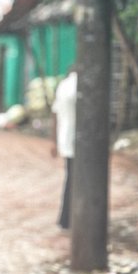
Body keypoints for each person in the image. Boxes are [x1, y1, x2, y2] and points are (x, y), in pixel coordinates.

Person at [52, 66, 78, 230]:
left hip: (66, 137)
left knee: (70, 178)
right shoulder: (78, 86)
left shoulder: (63, 85)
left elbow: (54, 113)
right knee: (77, 181)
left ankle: (65, 219)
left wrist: (54, 141)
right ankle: (70, 219)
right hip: (77, 139)